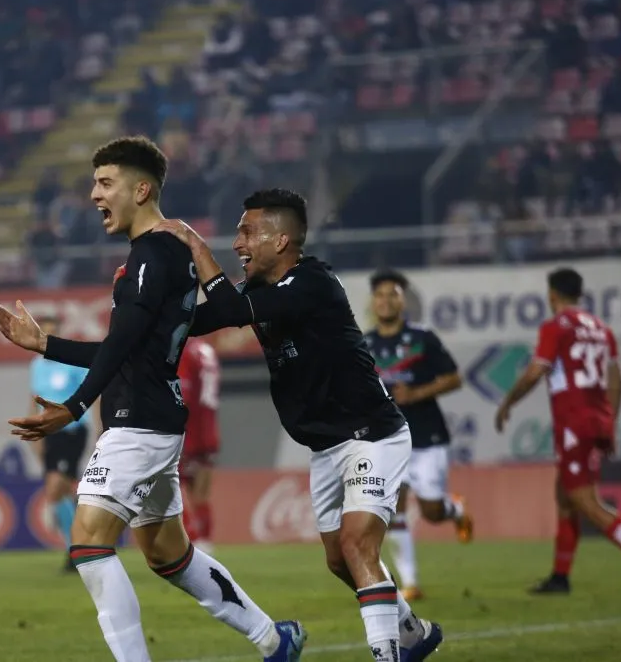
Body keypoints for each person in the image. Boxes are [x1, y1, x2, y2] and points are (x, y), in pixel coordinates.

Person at [0, 136, 305, 662]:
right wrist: (44, 343)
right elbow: (138, 342)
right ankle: (275, 640)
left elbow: (122, 343)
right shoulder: (162, 254)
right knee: (169, 555)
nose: (94, 194)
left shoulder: (151, 255)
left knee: (89, 543)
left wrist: (72, 407)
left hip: (138, 423)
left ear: (141, 190)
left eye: (105, 182)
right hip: (152, 419)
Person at [153, 188, 442, 662]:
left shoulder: (313, 283)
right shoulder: (260, 292)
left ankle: (389, 654)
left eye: (248, 232)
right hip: (327, 447)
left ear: (281, 239)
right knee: (338, 560)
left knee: (356, 544)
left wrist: (195, 245)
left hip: (372, 433)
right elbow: (201, 318)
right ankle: (411, 629)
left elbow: (229, 312)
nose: (239, 242)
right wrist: (145, 314)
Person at [495, 267, 621, 594]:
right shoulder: (602, 329)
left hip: (574, 422)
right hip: (597, 419)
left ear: (552, 294)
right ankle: (560, 577)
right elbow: (615, 380)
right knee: (565, 496)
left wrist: (508, 402)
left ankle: (561, 576)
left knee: (584, 501)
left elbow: (537, 371)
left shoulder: (556, 327)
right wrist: (609, 421)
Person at [364, 269, 474, 602]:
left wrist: (417, 392)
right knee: (393, 509)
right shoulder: (365, 344)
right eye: (380, 295)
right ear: (373, 302)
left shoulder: (423, 339)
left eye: (392, 294)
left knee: (430, 511)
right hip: (387, 439)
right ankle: (410, 582)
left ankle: (453, 509)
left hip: (427, 437)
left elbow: (454, 378)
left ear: (403, 300)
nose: (385, 300)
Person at [29, 314, 93, 572]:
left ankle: (77, 550)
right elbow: (33, 399)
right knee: (57, 491)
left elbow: (90, 393)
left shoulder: (72, 362)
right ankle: (78, 549)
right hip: (49, 431)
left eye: (52, 332)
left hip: (72, 429)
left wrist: (99, 428)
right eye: (44, 332)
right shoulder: (35, 365)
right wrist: (35, 432)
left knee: (58, 486)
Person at [178, 334, 221, 554]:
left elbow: (182, 393)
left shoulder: (183, 351)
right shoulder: (206, 350)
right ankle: (205, 541)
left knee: (169, 488)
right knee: (200, 494)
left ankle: (190, 542)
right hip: (209, 430)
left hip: (188, 431)